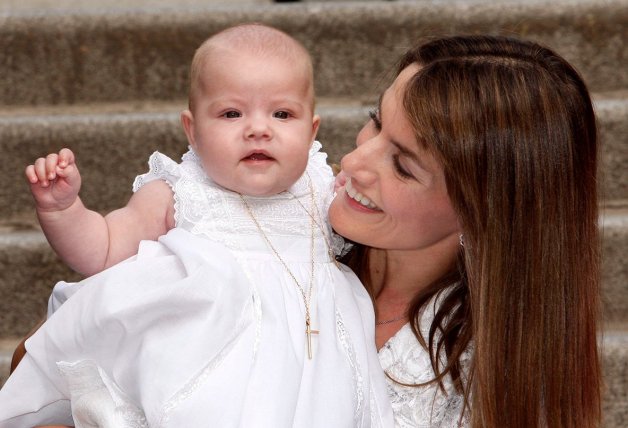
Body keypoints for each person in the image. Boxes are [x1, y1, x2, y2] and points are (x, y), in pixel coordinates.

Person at [0, 23, 393, 427]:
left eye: (282, 114)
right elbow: (101, 249)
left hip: (312, 365)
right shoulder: (178, 191)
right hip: (197, 362)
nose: (258, 128)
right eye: (231, 113)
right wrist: (63, 210)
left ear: (311, 129)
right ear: (192, 130)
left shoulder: (324, 189)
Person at [328, 35, 601, 427]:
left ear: (482, 213)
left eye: (403, 166)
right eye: (376, 121)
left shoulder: (492, 372)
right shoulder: (280, 222)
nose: (353, 162)